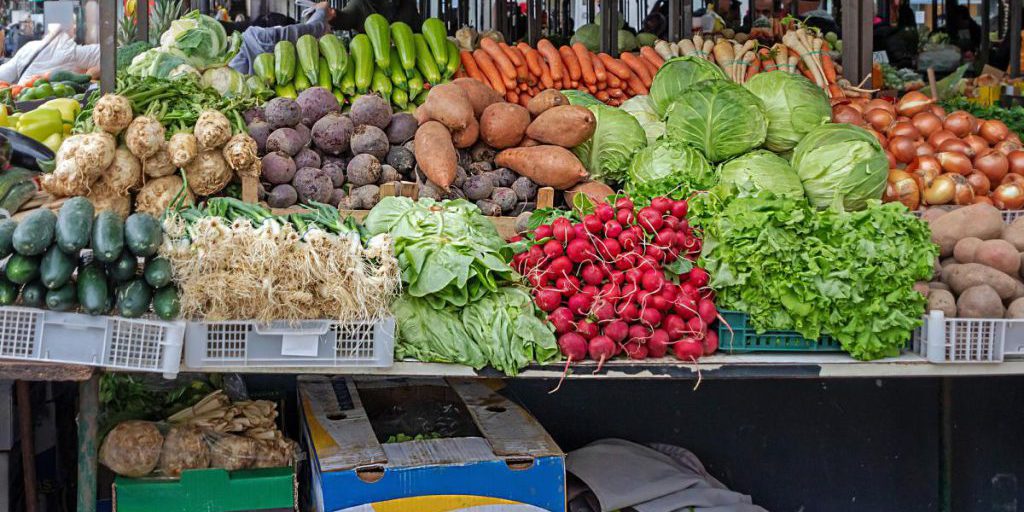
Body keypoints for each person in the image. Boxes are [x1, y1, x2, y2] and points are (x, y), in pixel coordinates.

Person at [228, 2, 335, 75]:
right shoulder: (256, 37)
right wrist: (320, 18)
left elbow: (289, 34)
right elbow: (285, 35)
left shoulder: (253, 39)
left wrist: (320, 18)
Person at [0, 23, 98, 85]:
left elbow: (4, 73)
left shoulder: (29, 47)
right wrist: (90, 74)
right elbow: (107, 54)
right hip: (49, 105)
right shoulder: (71, 52)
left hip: (21, 100)